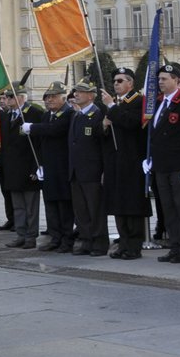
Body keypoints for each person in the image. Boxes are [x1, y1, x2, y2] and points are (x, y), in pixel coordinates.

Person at [147, 61, 180, 263]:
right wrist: (150, 157)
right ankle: (174, 245)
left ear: (177, 81)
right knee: (168, 208)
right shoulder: (160, 103)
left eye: (164, 79)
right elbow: (156, 134)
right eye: (159, 79)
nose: (160, 82)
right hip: (162, 165)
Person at [101, 69, 148, 259]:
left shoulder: (138, 102)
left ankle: (134, 246)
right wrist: (104, 126)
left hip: (132, 161)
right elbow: (105, 134)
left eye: (120, 80)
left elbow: (131, 123)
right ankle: (123, 242)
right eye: (114, 81)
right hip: (115, 161)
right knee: (118, 205)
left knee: (132, 205)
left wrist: (111, 107)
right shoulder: (116, 104)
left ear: (130, 83)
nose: (116, 84)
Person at [28, 83, 73, 251]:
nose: (49, 100)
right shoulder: (47, 116)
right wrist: (39, 165)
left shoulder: (68, 113)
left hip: (63, 167)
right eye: (47, 97)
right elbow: (41, 143)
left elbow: (56, 130)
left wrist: (32, 127)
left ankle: (67, 240)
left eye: (53, 96)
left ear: (63, 96)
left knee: (64, 205)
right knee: (51, 204)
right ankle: (55, 238)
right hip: (48, 167)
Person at [66, 81, 108, 256]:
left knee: (95, 209)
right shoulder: (77, 115)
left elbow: (101, 145)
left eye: (81, 92)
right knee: (81, 210)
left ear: (91, 96)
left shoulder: (97, 114)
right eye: (76, 92)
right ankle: (86, 240)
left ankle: (99, 242)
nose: (76, 94)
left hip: (92, 170)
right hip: (76, 170)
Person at [0, 85, 43, 249]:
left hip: (28, 167)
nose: (8, 100)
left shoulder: (34, 114)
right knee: (18, 205)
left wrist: (36, 167)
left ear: (21, 97)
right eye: (7, 97)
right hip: (12, 168)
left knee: (30, 206)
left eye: (11, 97)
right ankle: (20, 234)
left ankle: (31, 236)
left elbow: (38, 145)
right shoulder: (8, 116)